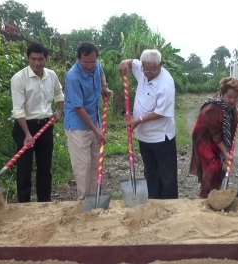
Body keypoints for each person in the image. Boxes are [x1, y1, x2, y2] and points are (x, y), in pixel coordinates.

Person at [118, 49, 178, 199]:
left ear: (160, 65)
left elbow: (160, 112)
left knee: (167, 175)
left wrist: (139, 120)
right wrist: (124, 63)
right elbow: (132, 63)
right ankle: (153, 201)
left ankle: (170, 204)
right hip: (143, 136)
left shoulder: (166, 84)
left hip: (161, 137)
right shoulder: (143, 68)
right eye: (146, 70)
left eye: (152, 71)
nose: (148, 73)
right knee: (150, 171)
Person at [11, 42, 64, 203]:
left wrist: (59, 111)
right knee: (24, 167)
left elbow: (59, 93)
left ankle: (44, 202)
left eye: (40, 59)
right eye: (33, 59)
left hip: (46, 126)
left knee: (44, 167)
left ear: (46, 58)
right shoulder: (19, 79)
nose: (37, 63)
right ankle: (24, 204)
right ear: (28, 59)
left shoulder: (51, 75)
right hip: (25, 127)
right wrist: (27, 134)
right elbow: (18, 110)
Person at [63, 41, 112, 200]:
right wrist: (96, 131)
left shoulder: (96, 65)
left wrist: (104, 86)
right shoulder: (73, 77)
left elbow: (101, 72)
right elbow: (79, 108)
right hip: (78, 126)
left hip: (94, 121)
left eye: (93, 62)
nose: (90, 66)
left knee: (95, 164)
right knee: (83, 166)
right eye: (86, 62)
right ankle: (83, 200)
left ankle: (94, 198)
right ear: (78, 58)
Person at [189, 77, 238, 198]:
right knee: (213, 166)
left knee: (219, 167)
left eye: (236, 97)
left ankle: (215, 194)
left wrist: (236, 110)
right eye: (229, 97)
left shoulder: (224, 104)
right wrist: (226, 152)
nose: (232, 100)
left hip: (214, 138)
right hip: (203, 139)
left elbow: (230, 108)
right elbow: (216, 135)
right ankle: (203, 197)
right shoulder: (213, 108)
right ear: (222, 94)